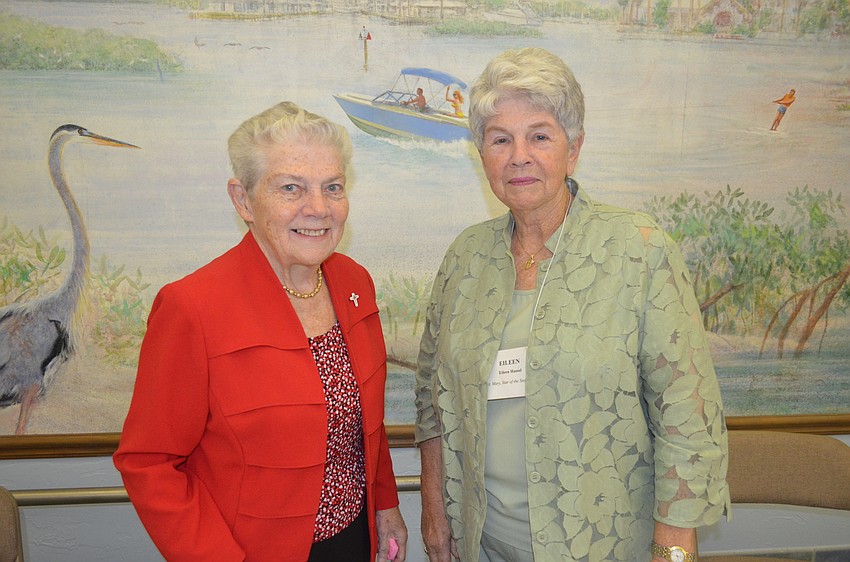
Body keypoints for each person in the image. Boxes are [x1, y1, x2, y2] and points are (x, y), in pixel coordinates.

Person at [415, 47, 729, 562]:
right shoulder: (464, 258)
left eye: (539, 136)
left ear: (574, 148)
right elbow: (431, 397)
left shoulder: (639, 249)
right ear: (482, 154)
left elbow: (686, 416)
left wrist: (674, 550)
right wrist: (434, 509)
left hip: (603, 546)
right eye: (500, 139)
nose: (519, 155)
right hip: (481, 544)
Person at [114, 101, 407, 562]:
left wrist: (385, 504)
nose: (319, 208)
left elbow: (364, 424)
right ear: (243, 199)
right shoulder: (192, 308)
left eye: (333, 187)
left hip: (355, 540)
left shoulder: (354, 282)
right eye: (291, 188)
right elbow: (149, 462)